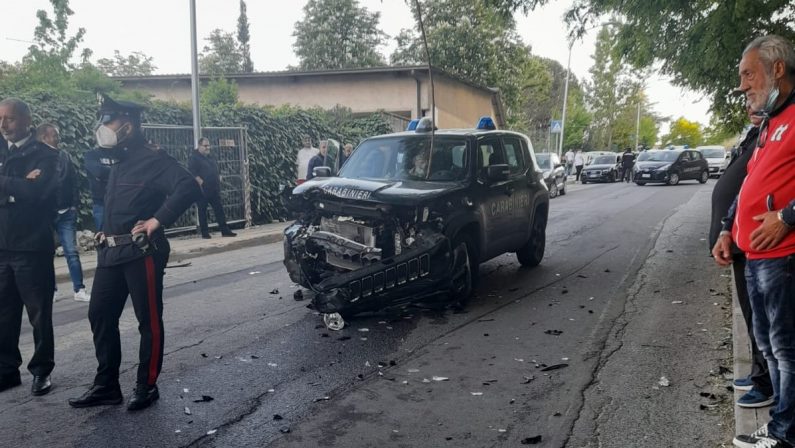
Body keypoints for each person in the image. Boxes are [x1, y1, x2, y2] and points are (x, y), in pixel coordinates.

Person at [68, 95, 201, 411]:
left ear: (127, 124)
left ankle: (147, 385)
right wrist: (107, 229)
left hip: (143, 252)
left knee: (148, 321)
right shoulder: (119, 159)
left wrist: (157, 220)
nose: (102, 127)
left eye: (107, 120)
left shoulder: (152, 157)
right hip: (112, 251)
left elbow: (188, 186)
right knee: (99, 313)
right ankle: (106, 385)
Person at [712, 35, 795, 448]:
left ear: (776, 69)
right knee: (767, 345)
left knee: (786, 349)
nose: (743, 85)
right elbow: (748, 185)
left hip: (783, 257)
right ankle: (782, 421)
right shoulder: (771, 124)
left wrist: (786, 216)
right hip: (756, 255)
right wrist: (729, 228)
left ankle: (786, 433)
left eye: (748, 74)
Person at [709, 106, 774, 411]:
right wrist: (725, 229)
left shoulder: (775, 133)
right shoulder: (757, 136)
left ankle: (765, 383)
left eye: (753, 87)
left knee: (765, 321)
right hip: (740, 243)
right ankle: (759, 374)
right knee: (752, 316)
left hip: (761, 243)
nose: (749, 104)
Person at [0, 98, 59, 396]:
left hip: (32, 246)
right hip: (2, 246)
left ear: (25, 119)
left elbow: (38, 195)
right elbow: (23, 190)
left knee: (39, 313)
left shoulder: (45, 154)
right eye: (0, 119)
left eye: (9, 118)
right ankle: (6, 370)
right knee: (4, 313)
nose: (3, 125)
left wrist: (8, 187)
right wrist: (15, 187)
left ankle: (41, 370)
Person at [36, 123, 91, 303]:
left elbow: (73, 181)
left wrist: (74, 205)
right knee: (46, 253)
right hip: (46, 213)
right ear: (44, 137)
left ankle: (79, 289)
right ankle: (51, 289)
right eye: (55, 135)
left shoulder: (65, 156)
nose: (58, 137)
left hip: (67, 211)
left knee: (71, 251)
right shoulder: (36, 157)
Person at [188, 137, 236, 239]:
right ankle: (205, 232)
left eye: (208, 145)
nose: (207, 147)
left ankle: (225, 230)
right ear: (199, 146)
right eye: (205, 146)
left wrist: (218, 177)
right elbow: (192, 172)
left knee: (219, 209)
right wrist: (200, 181)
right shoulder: (194, 158)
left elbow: (214, 168)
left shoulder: (210, 157)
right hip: (202, 189)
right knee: (202, 211)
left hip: (214, 188)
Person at [83, 147, 116, 231]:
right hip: (100, 202)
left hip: (118, 201)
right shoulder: (91, 154)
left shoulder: (117, 153)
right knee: (102, 234)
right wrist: (117, 171)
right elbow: (98, 171)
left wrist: (106, 172)